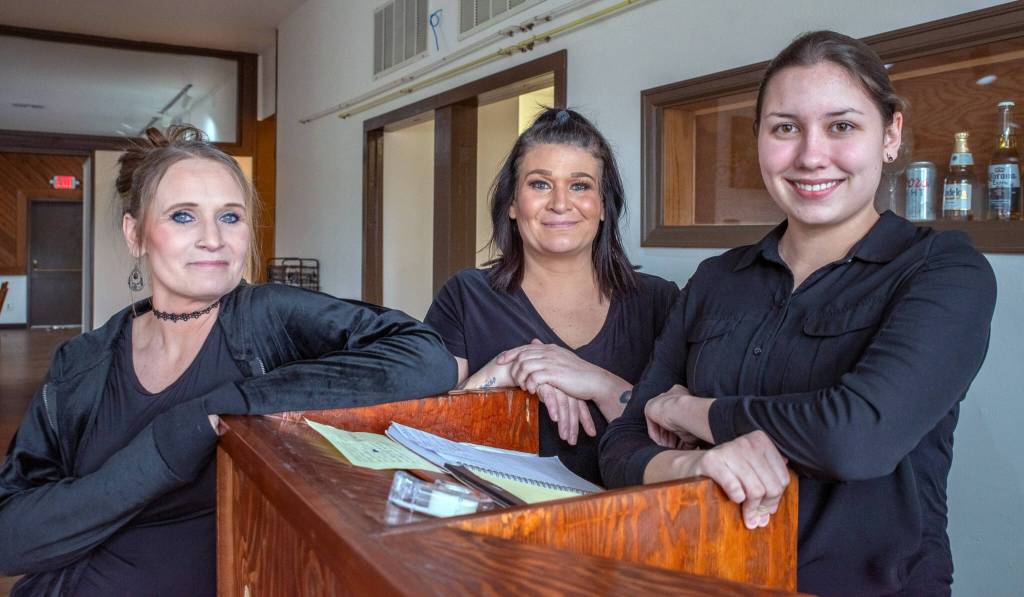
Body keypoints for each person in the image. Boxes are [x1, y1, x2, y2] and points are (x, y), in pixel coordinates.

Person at [599, 31, 996, 596]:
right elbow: (621, 447)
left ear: (890, 135)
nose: (811, 155)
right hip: (702, 578)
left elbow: (855, 438)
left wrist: (692, 411)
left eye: (842, 126)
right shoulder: (717, 279)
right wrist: (692, 466)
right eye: (785, 128)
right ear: (759, 140)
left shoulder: (943, 271)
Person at [0, 126, 457, 596]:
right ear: (136, 235)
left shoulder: (268, 318)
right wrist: (164, 448)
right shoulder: (82, 362)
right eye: (183, 216)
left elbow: (425, 356)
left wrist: (229, 404)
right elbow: (11, 537)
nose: (213, 238)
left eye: (230, 217)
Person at [425, 108, 679, 485]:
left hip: (630, 516)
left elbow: (681, 441)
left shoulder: (660, 301)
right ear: (512, 204)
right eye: (540, 184)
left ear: (603, 205)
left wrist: (596, 382)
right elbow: (429, 436)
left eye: (580, 186)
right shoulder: (466, 296)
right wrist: (504, 371)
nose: (560, 203)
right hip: (502, 515)